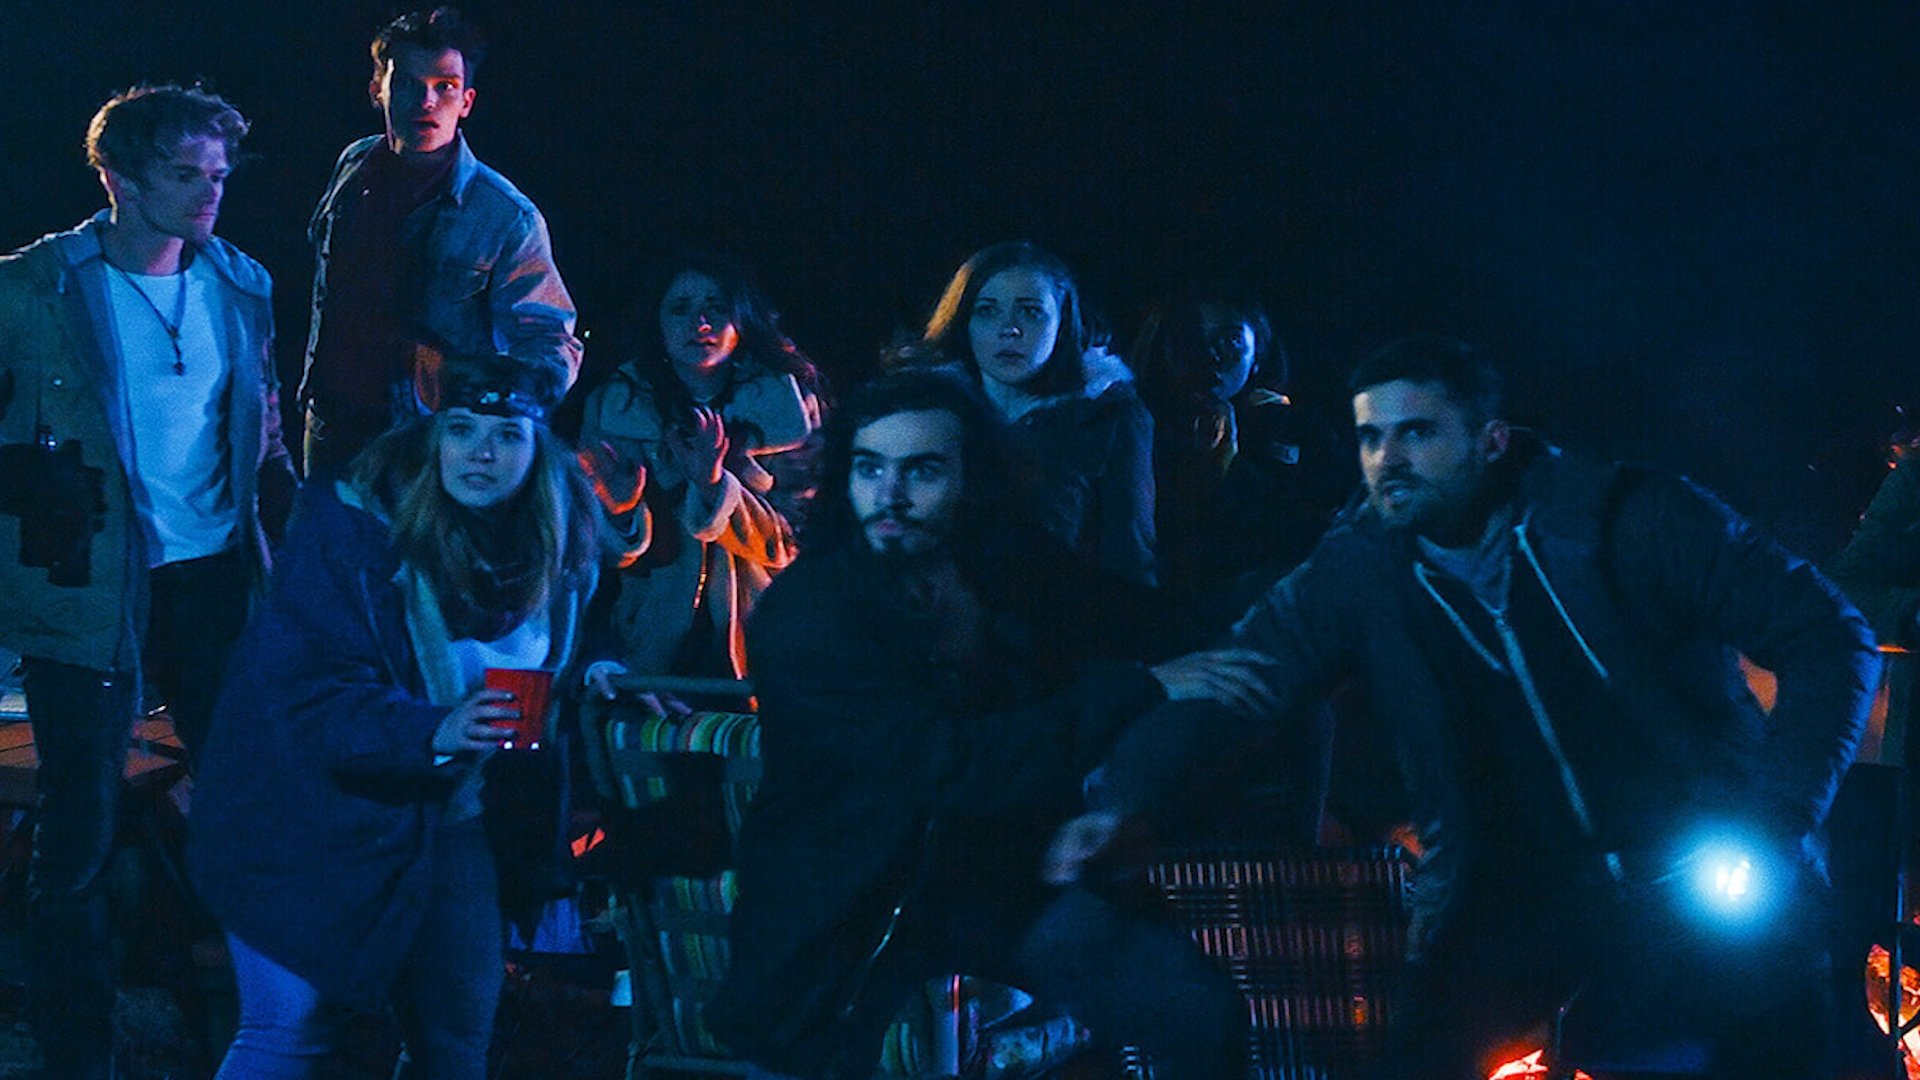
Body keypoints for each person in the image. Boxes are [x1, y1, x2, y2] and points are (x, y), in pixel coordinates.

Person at [1079, 336, 1876, 1079]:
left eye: (1417, 433)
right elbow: (1243, 674)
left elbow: (1827, 633)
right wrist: (1119, 800)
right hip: (1513, 888)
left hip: (1695, 869)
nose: (1388, 460)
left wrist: (1775, 818)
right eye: (1370, 437)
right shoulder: (1359, 570)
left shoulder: (1623, 518)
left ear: (1492, 441)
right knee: (1423, 1055)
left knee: (1778, 1028)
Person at [705, 372, 1268, 1080]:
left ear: (972, 478)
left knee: (1191, 1007)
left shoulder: (998, 564)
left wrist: (1294, 589)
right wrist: (1141, 688)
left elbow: (1139, 617)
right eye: (870, 468)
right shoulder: (811, 613)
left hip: (992, 870)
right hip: (851, 893)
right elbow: (943, 767)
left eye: (923, 471)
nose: (891, 495)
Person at [188, 353, 609, 1078]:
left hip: (449, 816)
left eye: (506, 435)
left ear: (539, 449)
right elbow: (302, 689)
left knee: (457, 1037)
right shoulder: (356, 533)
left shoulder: (557, 546)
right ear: (434, 434)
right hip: (305, 816)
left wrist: (604, 672)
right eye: (462, 429)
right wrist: (430, 729)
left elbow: (565, 651)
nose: (481, 453)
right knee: (290, 1029)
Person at [0, 84, 295, 1080]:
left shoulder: (240, 283)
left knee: (245, 813)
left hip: (212, 580)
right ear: (118, 179)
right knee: (78, 832)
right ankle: (78, 1056)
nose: (211, 192)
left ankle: (266, 1039)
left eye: (219, 174)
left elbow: (263, 440)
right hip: (89, 587)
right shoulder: (36, 288)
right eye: (185, 173)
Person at [299, 6, 580, 474]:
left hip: (427, 448)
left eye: (444, 86)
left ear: (466, 101)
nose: (426, 101)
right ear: (378, 89)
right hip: (332, 427)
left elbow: (551, 345)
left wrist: (475, 388)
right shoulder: (354, 165)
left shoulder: (505, 215)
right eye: (409, 83)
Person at [578, 252, 820, 680]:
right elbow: (594, 553)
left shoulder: (787, 411)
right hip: (645, 640)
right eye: (681, 308)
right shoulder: (616, 410)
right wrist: (621, 512)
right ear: (656, 320)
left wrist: (714, 488)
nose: (701, 323)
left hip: (766, 638)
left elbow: (797, 539)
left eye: (716, 306)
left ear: (742, 317)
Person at [905, 241, 1157, 587]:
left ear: (1062, 321)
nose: (1009, 329)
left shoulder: (1108, 417)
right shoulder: (922, 409)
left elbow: (1129, 557)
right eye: (987, 310)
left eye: (1030, 311)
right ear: (965, 319)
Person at [1133, 285, 1346, 648]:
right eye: (1191, 339)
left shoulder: (1295, 428)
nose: (1211, 354)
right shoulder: (1132, 425)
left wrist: (1230, 464)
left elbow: (1312, 529)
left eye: (1230, 338)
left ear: (1257, 351)